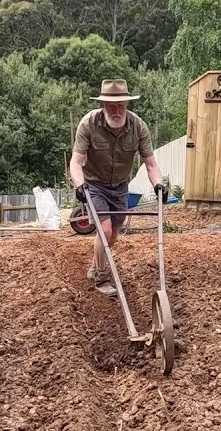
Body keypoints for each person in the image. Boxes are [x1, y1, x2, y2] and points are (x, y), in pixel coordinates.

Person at [69, 79, 164, 290]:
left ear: (127, 104)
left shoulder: (138, 127)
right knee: (104, 229)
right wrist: (79, 186)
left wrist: (159, 185)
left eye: (120, 105)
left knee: (113, 234)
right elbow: (75, 162)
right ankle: (102, 277)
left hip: (120, 186)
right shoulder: (89, 124)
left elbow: (150, 164)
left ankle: (96, 265)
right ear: (103, 105)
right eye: (111, 105)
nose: (116, 110)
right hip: (94, 184)